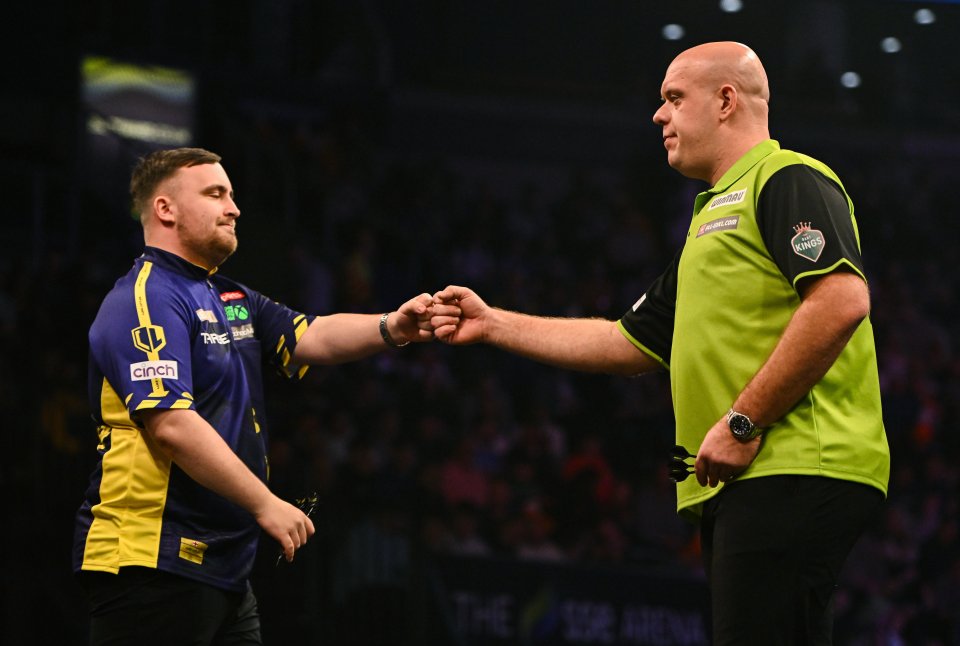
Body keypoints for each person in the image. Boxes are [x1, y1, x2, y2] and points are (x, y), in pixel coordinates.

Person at [431, 42, 890, 644]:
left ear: (726, 101)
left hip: (791, 463)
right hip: (756, 475)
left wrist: (743, 422)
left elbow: (841, 300)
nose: (658, 115)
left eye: (674, 98)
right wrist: (492, 324)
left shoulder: (787, 178)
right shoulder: (709, 220)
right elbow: (627, 343)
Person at [72, 147, 435, 645]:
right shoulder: (146, 297)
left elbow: (313, 336)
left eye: (233, 195)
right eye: (215, 193)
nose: (234, 207)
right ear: (165, 209)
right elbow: (171, 425)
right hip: (151, 561)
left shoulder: (230, 297)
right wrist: (266, 503)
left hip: (223, 568)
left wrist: (393, 326)